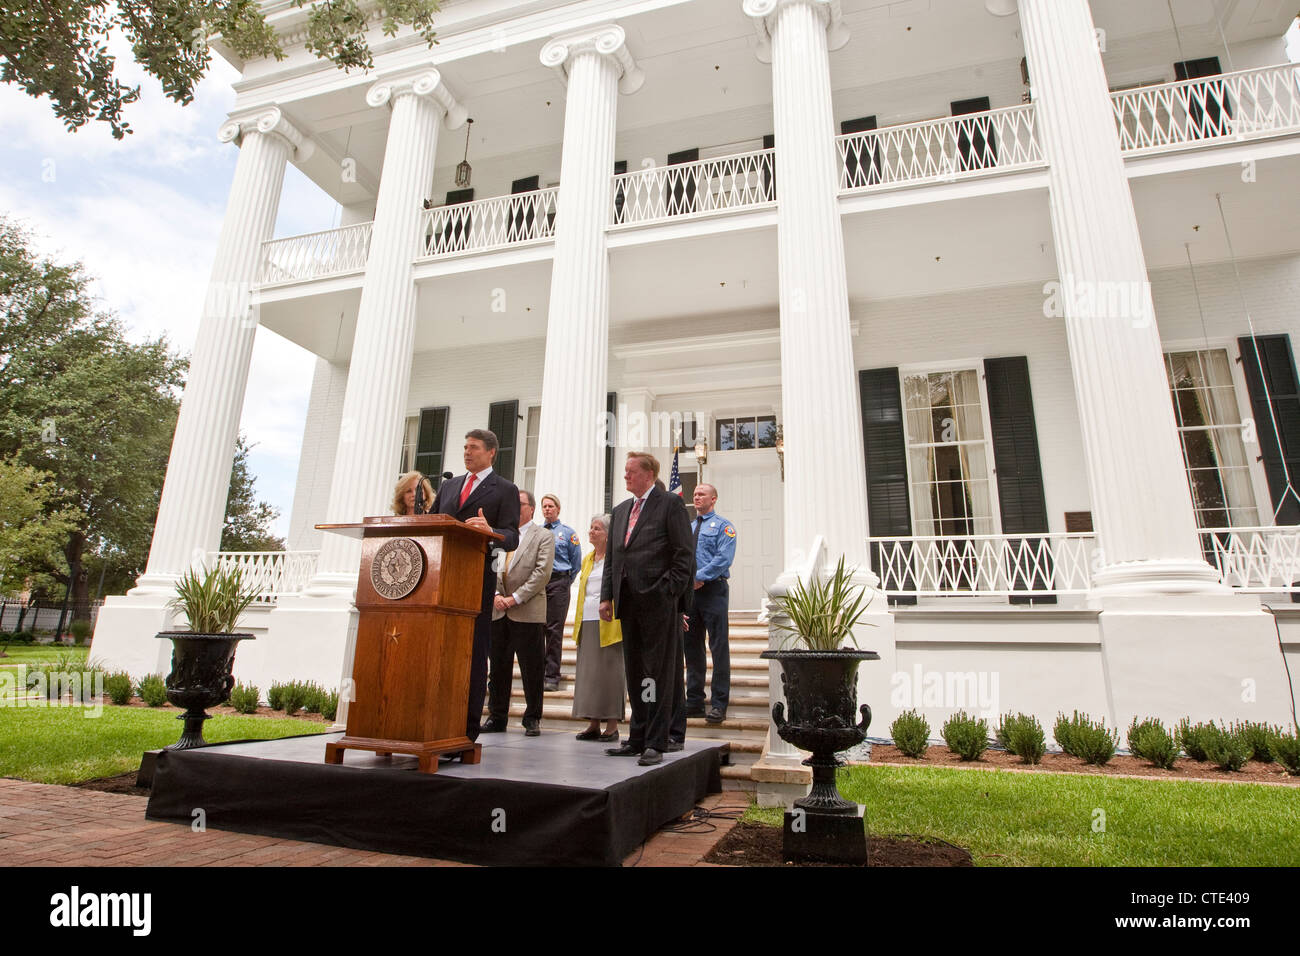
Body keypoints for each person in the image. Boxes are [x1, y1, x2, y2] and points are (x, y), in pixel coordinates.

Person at [600, 452, 694, 766]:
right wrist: (606, 597)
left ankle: (657, 741)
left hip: (658, 603)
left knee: (658, 674)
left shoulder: (670, 504)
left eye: (630, 472)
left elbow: (684, 554)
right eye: (624, 472)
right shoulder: (621, 510)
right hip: (627, 603)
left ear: (648, 474)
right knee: (636, 672)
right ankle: (636, 736)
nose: (625, 476)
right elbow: (613, 561)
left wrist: (669, 592)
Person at [430, 429, 521, 744]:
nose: (467, 452)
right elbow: (431, 525)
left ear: (491, 452)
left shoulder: (505, 489)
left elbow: (512, 536)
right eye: (465, 447)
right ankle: (433, 724)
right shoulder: (450, 486)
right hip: (440, 582)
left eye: (474, 448)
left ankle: (465, 731)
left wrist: (490, 530)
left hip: (475, 581)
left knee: (472, 653)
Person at [484, 490, 554, 737]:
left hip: (526, 611)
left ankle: (532, 716)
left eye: (519, 503)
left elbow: (541, 573)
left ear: (531, 509)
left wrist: (514, 598)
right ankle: (497, 715)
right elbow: (491, 568)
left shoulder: (543, 536)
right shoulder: (500, 535)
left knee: (531, 667)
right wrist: (494, 596)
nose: (513, 507)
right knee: (498, 668)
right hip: (498, 610)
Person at [685, 483, 737, 724]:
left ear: (713, 499)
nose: (696, 497)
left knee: (718, 647)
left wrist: (700, 576)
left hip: (713, 590)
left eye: (701, 494)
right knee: (692, 648)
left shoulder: (724, 527)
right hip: (690, 594)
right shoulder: (689, 527)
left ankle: (718, 704)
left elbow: (723, 558)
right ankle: (694, 701)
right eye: (695, 494)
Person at [571, 514, 624, 742]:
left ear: (608, 534)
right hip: (588, 621)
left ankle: (611, 726)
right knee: (590, 675)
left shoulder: (616, 560)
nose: (591, 532)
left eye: (597, 528)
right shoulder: (588, 559)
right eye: (591, 528)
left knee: (610, 674)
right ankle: (592, 723)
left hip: (609, 623)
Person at [539, 494, 582, 692]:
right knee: (538, 628)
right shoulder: (537, 532)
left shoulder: (567, 533)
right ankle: (538, 671)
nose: (547, 509)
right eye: (544, 506)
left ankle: (552, 675)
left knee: (554, 630)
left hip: (559, 582)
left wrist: (565, 581)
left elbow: (576, 562)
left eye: (551, 506)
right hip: (539, 584)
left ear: (558, 509)